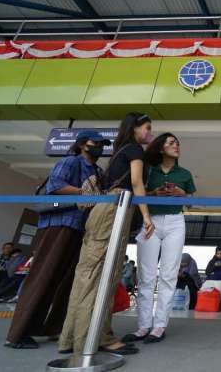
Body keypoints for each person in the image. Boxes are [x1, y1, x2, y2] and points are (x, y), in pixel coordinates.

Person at [59, 112, 155, 356]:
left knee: (86, 276)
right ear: (135, 128)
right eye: (147, 128)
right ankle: (99, 337)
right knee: (105, 275)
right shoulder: (134, 150)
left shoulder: (118, 152)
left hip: (101, 212)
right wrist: (145, 215)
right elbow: (136, 183)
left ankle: (72, 337)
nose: (150, 134)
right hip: (116, 211)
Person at [6, 130, 109, 349]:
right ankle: (18, 333)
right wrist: (85, 192)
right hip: (59, 222)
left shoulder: (98, 171)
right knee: (44, 275)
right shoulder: (71, 161)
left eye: (102, 144)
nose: (99, 147)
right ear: (82, 144)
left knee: (66, 281)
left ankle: (52, 327)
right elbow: (56, 185)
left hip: (81, 227)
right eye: (95, 143)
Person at [123, 132, 195, 344]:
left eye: (178, 143)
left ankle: (159, 326)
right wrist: (155, 193)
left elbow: (190, 203)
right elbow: (139, 193)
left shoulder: (185, 173)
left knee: (169, 274)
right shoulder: (149, 171)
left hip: (175, 221)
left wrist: (182, 194)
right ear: (161, 148)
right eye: (171, 143)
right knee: (146, 275)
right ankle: (143, 325)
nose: (176, 146)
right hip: (150, 220)